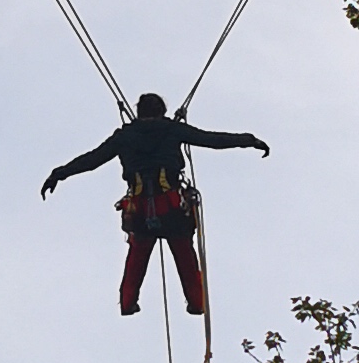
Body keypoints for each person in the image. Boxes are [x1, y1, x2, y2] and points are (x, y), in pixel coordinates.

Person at [41, 90, 269, 316]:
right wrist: (248, 140)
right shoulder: (172, 130)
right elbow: (212, 139)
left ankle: (128, 303)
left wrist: (59, 174)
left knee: (137, 257)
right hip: (170, 206)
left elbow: (92, 159)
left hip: (140, 209)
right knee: (184, 256)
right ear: (162, 112)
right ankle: (196, 303)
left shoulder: (125, 136)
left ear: (139, 113)